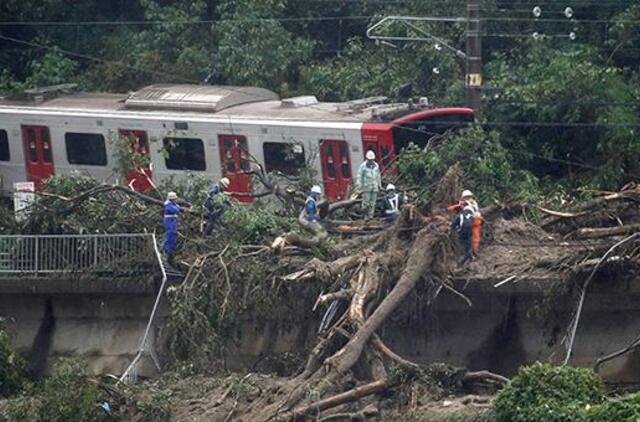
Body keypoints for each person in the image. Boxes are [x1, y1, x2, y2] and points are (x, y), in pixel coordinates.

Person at [449, 190, 482, 265]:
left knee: (475, 239)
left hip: (475, 223)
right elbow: (453, 208)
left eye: (469, 197)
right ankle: (469, 254)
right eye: (466, 197)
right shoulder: (464, 204)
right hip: (468, 224)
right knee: (468, 240)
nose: (468, 199)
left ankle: (473, 254)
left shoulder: (473, 204)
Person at [355, 150, 382, 219]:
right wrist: (359, 186)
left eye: (372, 159)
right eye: (369, 159)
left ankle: (370, 217)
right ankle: (365, 216)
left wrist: (379, 185)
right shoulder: (363, 166)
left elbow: (378, 176)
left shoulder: (376, 165)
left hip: (374, 187)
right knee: (366, 203)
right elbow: (359, 176)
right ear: (367, 159)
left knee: (373, 203)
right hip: (366, 188)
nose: (371, 160)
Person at [163, 191, 180, 266]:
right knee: (170, 236)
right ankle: (168, 251)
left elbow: (177, 208)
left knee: (173, 236)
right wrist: (177, 207)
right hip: (170, 222)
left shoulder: (171, 204)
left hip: (173, 222)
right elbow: (176, 210)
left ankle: (170, 251)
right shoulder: (168, 205)